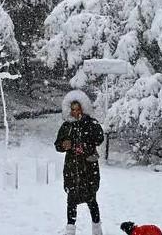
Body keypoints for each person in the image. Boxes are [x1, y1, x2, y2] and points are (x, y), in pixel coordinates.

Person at [55, 89, 106, 235]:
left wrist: (88, 137)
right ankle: (70, 230)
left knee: (92, 200)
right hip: (72, 168)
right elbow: (57, 145)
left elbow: (99, 138)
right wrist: (63, 145)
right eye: (72, 110)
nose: (75, 112)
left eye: (78, 109)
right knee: (71, 200)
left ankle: (97, 229)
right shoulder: (67, 126)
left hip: (89, 168)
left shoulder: (91, 123)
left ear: (83, 109)